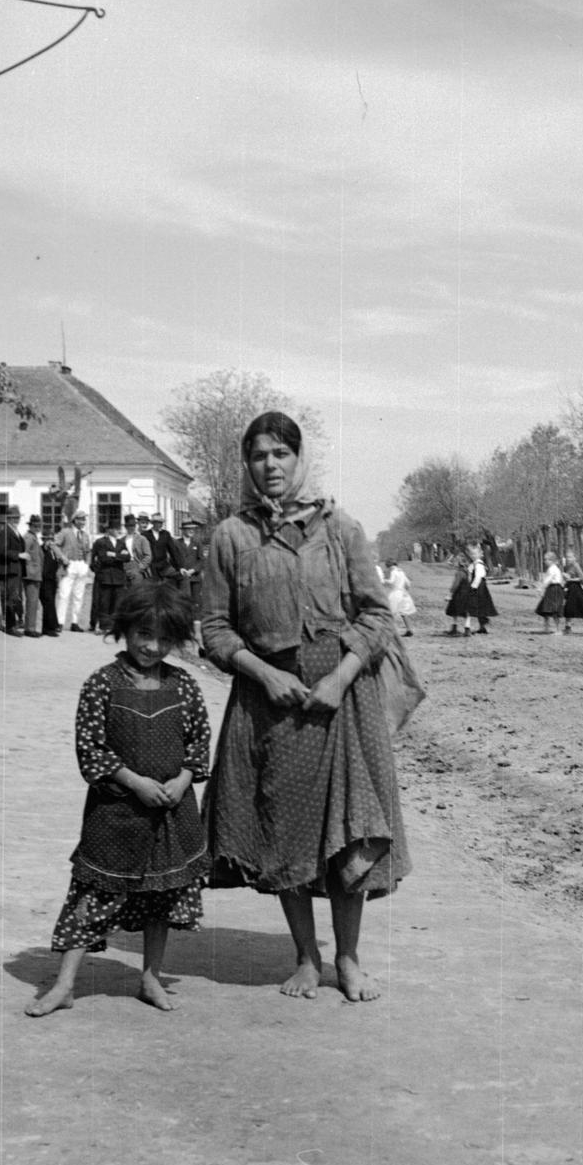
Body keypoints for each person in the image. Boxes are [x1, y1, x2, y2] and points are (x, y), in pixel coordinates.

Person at [201, 410, 407, 1003]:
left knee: (348, 832)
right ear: (247, 464)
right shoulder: (231, 537)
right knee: (284, 830)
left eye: (281, 454)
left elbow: (376, 615)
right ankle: (306, 958)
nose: (270, 466)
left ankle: (347, 957)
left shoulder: (340, 529)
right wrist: (264, 673)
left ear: (299, 459)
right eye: (259, 456)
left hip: (342, 706)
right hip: (272, 709)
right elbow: (214, 629)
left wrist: (341, 678)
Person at [25, 582, 210, 1017]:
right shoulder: (101, 685)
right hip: (116, 814)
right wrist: (134, 782)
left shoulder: (183, 684)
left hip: (171, 811)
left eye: (164, 639)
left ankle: (150, 977)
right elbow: (91, 748)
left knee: (161, 897)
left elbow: (198, 742)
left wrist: (183, 781)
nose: (151, 646)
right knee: (92, 895)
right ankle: (65, 984)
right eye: (143, 634)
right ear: (125, 631)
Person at [54, 511, 93, 633]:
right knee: (64, 594)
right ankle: (60, 622)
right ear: (74, 520)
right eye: (80, 519)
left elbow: (88, 551)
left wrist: (87, 564)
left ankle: (75, 622)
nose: (83, 522)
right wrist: (63, 558)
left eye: (84, 520)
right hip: (69, 565)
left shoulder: (85, 535)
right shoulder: (66, 532)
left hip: (81, 565)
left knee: (79, 595)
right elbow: (54, 545)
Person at [89, 521, 131, 633]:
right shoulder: (100, 542)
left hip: (118, 577)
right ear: (109, 530)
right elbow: (103, 558)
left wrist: (114, 555)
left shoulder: (121, 543)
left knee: (116, 603)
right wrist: (119, 556)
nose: (118, 531)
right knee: (104, 603)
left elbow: (127, 557)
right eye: (116, 529)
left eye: (119, 529)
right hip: (105, 577)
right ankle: (103, 626)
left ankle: (112, 626)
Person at [0, 507, 27, 636]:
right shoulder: (6, 532)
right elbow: (2, 550)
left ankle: (13, 622)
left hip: (15, 569)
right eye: (14, 518)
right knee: (10, 597)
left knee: (13, 597)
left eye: (17, 518)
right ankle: (10, 625)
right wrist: (18, 555)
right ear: (9, 518)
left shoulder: (14, 531)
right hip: (9, 569)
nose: (16, 520)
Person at [22, 515, 46, 638]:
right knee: (32, 602)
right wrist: (28, 569)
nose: (37, 528)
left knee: (34, 602)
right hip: (31, 574)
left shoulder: (34, 538)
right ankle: (29, 628)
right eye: (35, 526)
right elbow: (24, 554)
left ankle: (31, 626)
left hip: (35, 573)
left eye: (39, 526)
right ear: (30, 526)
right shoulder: (29, 538)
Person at [39, 527, 64, 635]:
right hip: (44, 580)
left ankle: (48, 627)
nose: (50, 541)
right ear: (43, 539)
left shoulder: (53, 551)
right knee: (48, 603)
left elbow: (59, 562)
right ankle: (50, 628)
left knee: (50, 603)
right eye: (47, 538)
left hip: (52, 579)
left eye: (51, 539)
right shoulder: (42, 549)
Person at [384, 559, 418, 637]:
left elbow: (391, 581)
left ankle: (392, 630)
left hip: (395, 593)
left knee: (392, 611)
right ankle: (409, 629)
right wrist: (405, 590)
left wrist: (383, 580)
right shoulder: (401, 572)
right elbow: (408, 583)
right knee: (404, 613)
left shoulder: (393, 572)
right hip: (403, 593)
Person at [533, 553, 566, 635]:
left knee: (554, 609)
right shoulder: (552, 568)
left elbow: (548, 580)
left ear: (551, 561)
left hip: (554, 589)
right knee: (545, 608)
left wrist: (541, 588)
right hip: (551, 589)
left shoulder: (553, 569)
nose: (545, 561)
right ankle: (546, 627)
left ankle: (557, 629)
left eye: (546, 559)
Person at [123, 515, 153, 584]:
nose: (131, 528)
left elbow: (148, 556)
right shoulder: (121, 540)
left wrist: (140, 567)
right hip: (125, 567)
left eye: (133, 526)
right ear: (125, 527)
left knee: (137, 590)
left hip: (137, 565)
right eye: (129, 526)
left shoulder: (142, 539)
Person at [561, 557, 583, 632]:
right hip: (570, 588)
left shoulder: (576, 565)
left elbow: (582, 578)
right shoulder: (568, 566)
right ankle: (568, 626)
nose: (568, 559)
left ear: (574, 558)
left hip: (576, 589)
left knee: (582, 608)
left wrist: (570, 579)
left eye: (570, 557)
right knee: (568, 608)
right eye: (567, 557)